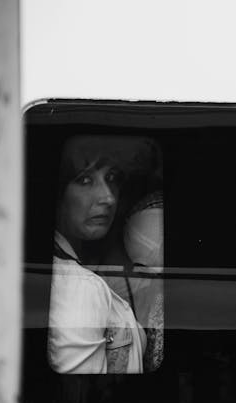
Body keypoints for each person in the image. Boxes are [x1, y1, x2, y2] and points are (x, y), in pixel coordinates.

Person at [48, 135, 156, 374]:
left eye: (111, 179)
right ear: (57, 192)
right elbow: (79, 394)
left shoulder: (67, 273)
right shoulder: (81, 287)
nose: (108, 197)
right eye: (85, 180)